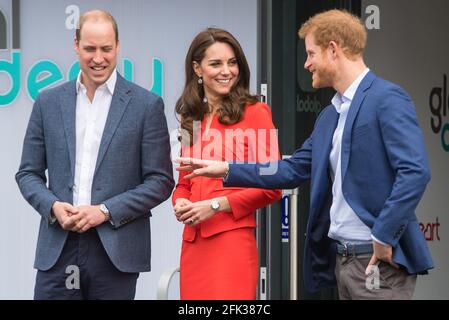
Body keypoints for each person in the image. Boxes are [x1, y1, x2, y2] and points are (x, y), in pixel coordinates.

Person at [176, 10, 433, 300]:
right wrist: (226, 169)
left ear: (333, 50)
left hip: (376, 260)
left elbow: (415, 172)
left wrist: (384, 235)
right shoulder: (329, 116)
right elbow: (291, 170)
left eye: (311, 54)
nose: (306, 63)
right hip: (343, 260)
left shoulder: (386, 98)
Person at [15, 10, 174, 300]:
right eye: (89, 48)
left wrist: (104, 211)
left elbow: (160, 181)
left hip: (116, 250)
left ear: (118, 46)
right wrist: (53, 207)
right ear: (75, 45)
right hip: (58, 248)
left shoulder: (146, 105)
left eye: (106, 49)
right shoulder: (47, 102)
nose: (98, 58)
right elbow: (27, 173)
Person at [172, 28, 281, 300]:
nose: (226, 71)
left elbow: (273, 184)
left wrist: (215, 205)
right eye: (216, 63)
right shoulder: (190, 118)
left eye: (232, 62)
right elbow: (183, 184)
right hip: (193, 245)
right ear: (197, 68)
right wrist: (180, 202)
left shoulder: (256, 112)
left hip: (231, 245)